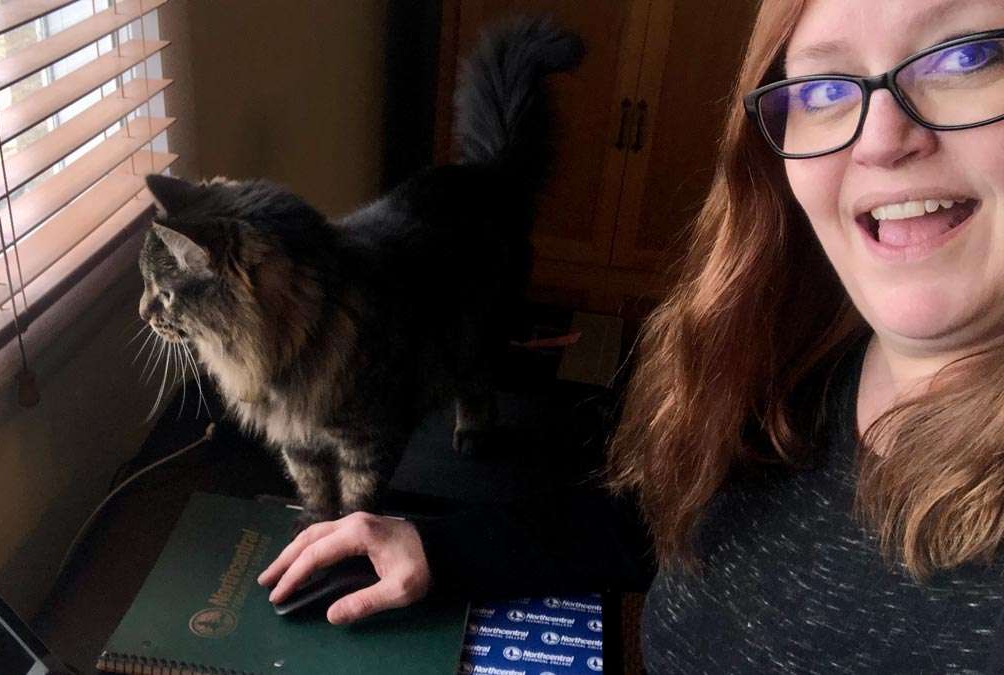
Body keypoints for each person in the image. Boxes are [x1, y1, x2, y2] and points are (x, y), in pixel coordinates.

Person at [258, 0, 1004, 670]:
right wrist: (440, 545)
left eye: (966, 55)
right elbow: (672, 526)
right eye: (823, 88)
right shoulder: (802, 359)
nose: (880, 140)